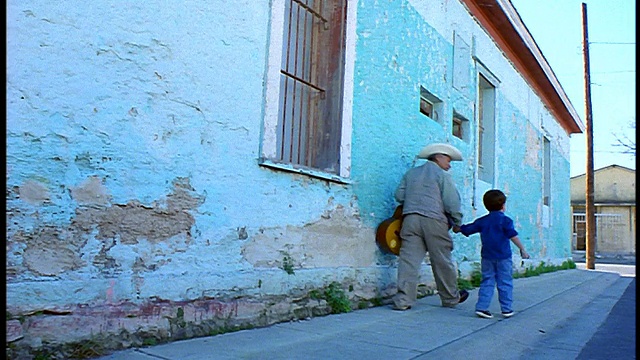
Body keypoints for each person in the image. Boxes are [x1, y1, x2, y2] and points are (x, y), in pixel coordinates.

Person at [392, 143, 469, 310]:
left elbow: (399, 196)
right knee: (442, 260)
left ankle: (403, 300)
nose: (449, 165)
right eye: (448, 160)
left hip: (410, 219)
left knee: (409, 261)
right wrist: (457, 222)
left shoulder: (411, 173)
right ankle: (449, 298)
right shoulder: (442, 175)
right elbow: (452, 202)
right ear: (438, 157)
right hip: (434, 220)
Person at [452, 189, 530, 319]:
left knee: (487, 281)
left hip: (487, 257)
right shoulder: (506, 221)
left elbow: (469, 228)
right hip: (503, 257)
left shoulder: (483, 221)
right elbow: (513, 236)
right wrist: (522, 249)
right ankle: (506, 309)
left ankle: (482, 307)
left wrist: (459, 228)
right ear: (503, 205)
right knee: (505, 282)